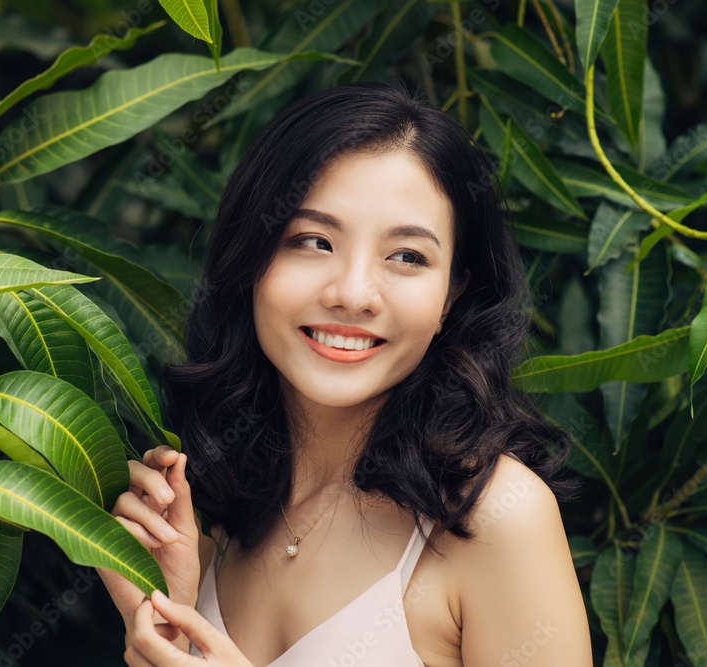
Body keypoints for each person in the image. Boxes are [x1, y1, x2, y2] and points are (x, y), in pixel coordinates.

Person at [96, 82, 592, 666]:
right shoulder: (220, 518)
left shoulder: (494, 516)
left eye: (407, 256)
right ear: (251, 260)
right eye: (313, 241)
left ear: (452, 295)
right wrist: (167, 628)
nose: (354, 294)